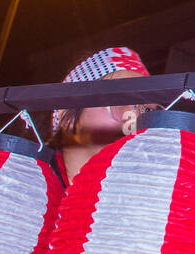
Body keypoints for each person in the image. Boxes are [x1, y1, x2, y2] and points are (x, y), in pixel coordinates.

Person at [46, 47, 159, 185]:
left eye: (148, 111)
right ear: (67, 115)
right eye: (121, 101)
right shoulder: (24, 186)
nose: (136, 119)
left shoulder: (150, 195)